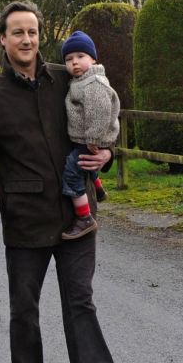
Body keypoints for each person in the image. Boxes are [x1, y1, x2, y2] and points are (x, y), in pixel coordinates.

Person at [0, 1, 132, 363]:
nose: (26, 39)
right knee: (25, 303)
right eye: (17, 32)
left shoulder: (65, 79)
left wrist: (106, 154)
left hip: (77, 214)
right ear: (3, 39)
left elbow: (101, 118)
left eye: (32, 32)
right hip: (25, 216)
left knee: (81, 301)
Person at [60, 31, 120, 240]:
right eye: (69, 59)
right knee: (85, 165)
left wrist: (93, 139)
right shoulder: (81, 81)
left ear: (93, 58)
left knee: (72, 170)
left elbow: (99, 112)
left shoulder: (93, 84)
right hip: (86, 138)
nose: (74, 62)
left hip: (92, 139)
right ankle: (98, 188)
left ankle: (84, 217)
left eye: (80, 56)